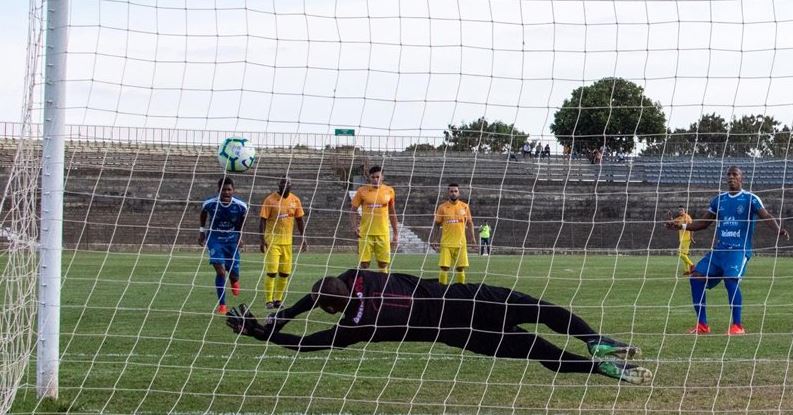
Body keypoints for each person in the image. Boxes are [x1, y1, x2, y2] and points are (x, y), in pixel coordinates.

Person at [225, 269, 653, 385]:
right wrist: (276, 319)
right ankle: (595, 341)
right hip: (468, 296)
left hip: (462, 333)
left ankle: (603, 368)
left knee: (540, 353)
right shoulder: (359, 275)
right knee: (544, 310)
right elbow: (313, 298)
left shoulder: (357, 326)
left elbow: (305, 344)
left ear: (332, 310)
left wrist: (266, 332)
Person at [666, 166, 789, 335]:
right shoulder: (718, 200)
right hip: (719, 250)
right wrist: (681, 225)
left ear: (741, 178)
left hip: (738, 250)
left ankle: (737, 326)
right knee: (696, 278)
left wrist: (778, 230)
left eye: (735, 174)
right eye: (729, 175)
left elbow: (766, 215)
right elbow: (703, 223)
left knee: (731, 280)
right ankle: (702, 325)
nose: (731, 177)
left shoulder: (750, 199)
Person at [199, 177, 248, 314]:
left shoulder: (240, 206)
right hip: (215, 239)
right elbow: (203, 214)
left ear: (233, 190)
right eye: (223, 190)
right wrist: (202, 232)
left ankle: (234, 281)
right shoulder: (210, 204)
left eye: (229, 189)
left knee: (234, 274)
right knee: (220, 271)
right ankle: (222, 304)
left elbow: (241, 223)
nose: (226, 192)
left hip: (232, 240)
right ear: (218, 190)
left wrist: (240, 237)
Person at [260, 177, 307, 309]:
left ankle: (278, 300)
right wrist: (261, 239)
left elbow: (299, 219)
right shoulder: (270, 200)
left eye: (288, 183)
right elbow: (262, 220)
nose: (285, 185)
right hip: (272, 241)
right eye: (282, 182)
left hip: (287, 242)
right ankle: (269, 300)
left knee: (285, 273)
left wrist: (303, 237)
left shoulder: (295, 200)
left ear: (291, 185)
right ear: (278, 184)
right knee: (272, 272)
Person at [350, 166, 398, 273]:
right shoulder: (362, 191)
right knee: (364, 264)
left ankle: (382, 287)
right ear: (369, 178)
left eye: (378, 177)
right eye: (373, 177)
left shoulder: (389, 191)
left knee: (383, 263)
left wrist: (395, 233)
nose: (375, 179)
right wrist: (354, 227)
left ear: (382, 177)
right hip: (365, 233)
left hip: (383, 233)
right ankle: (364, 288)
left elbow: (392, 213)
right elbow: (353, 210)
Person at [431, 183, 476, 285]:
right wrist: (434, 239)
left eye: (455, 191)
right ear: (448, 193)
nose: (453, 193)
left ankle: (461, 289)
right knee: (444, 267)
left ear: (459, 193)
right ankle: (442, 289)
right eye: (451, 191)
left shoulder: (465, 207)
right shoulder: (442, 207)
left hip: (461, 243)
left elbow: (470, 223)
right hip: (446, 243)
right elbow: (437, 224)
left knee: (460, 268)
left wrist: (472, 239)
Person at [672, 206, 695, 276]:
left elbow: (692, 227)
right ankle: (687, 270)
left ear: (685, 210)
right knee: (684, 255)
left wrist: (691, 237)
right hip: (682, 239)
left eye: (681, 210)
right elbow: (673, 222)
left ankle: (692, 265)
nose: (680, 211)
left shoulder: (687, 218)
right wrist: (670, 221)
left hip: (686, 238)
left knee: (679, 253)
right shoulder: (679, 218)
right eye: (679, 210)